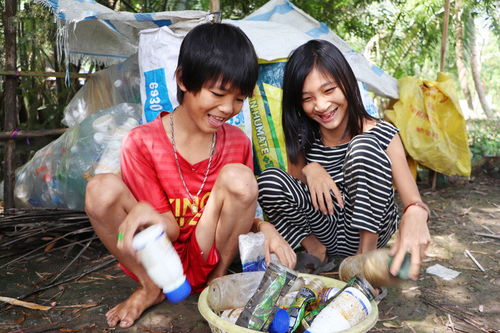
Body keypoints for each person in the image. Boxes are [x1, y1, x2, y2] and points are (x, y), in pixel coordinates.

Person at [85, 22, 296, 329]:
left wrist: (266, 228)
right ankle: (150, 287)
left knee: (240, 177)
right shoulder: (143, 142)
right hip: (160, 259)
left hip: (210, 250)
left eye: (239, 98)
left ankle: (218, 280)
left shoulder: (237, 141)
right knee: (100, 189)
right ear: (183, 79)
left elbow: (241, 207)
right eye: (218, 93)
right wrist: (147, 213)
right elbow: (167, 231)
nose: (228, 108)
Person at [257, 39, 431, 279]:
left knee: (364, 146)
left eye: (329, 90)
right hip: (325, 230)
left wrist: (416, 214)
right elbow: (294, 190)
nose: (321, 105)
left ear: (347, 83)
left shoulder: (384, 134)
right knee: (269, 181)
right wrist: (311, 169)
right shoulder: (302, 137)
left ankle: (364, 262)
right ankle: (317, 254)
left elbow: (413, 201)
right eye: (307, 98)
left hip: (370, 231)